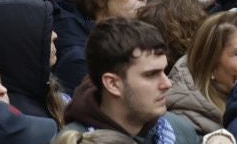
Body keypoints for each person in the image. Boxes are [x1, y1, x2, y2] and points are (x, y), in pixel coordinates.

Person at [62, 18, 200, 143]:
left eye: (164, 71)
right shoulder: (75, 140)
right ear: (113, 84)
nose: (167, 84)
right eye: (151, 75)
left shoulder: (180, 131)